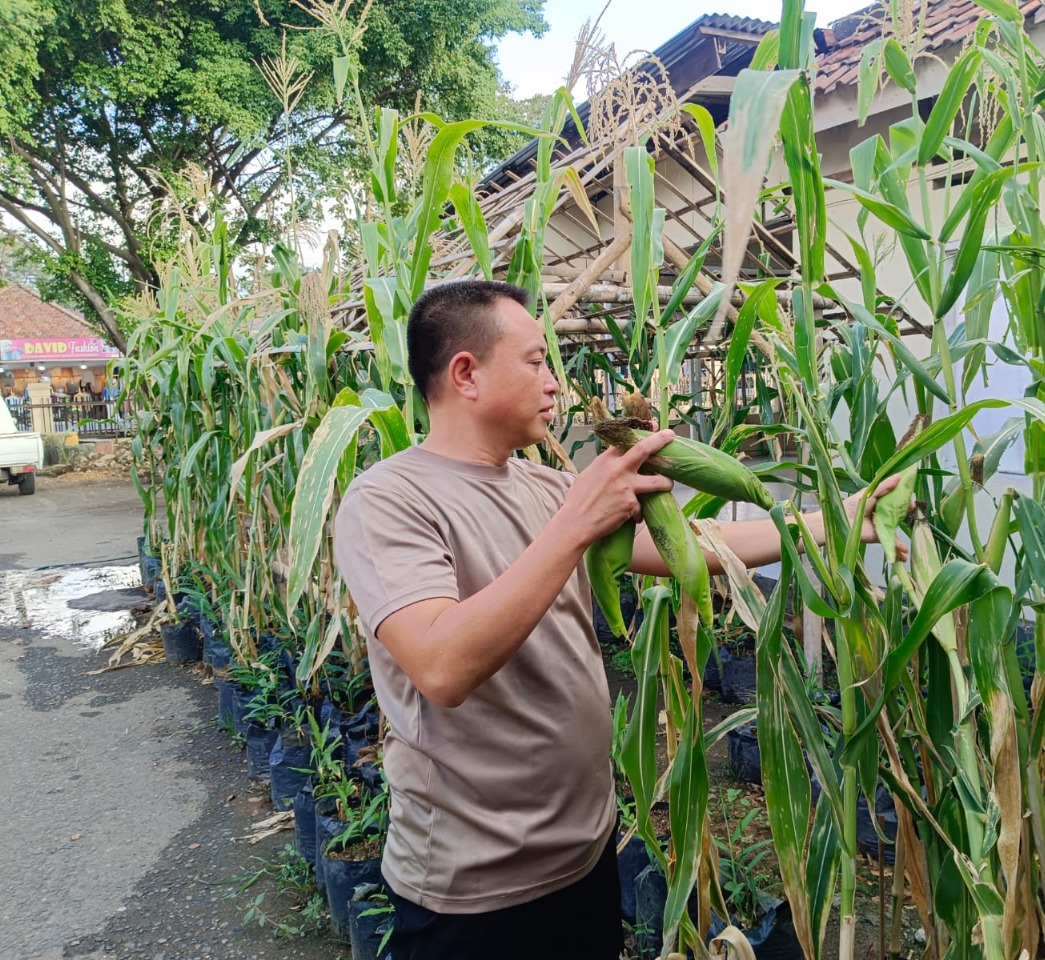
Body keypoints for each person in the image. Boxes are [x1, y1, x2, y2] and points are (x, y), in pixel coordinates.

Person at [332, 280, 905, 960]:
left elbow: (686, 549)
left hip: (585, 851)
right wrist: (576, 523)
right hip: (475, 887)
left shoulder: (545, 486)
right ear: (466, 374)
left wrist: (835, 522)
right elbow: (440, 665)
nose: (555, 382)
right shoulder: (389, 499)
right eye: (536, 360)